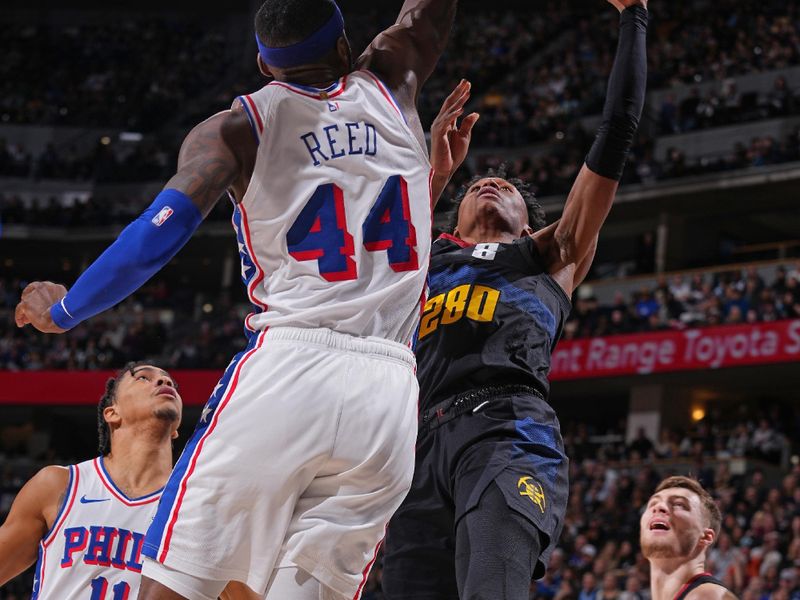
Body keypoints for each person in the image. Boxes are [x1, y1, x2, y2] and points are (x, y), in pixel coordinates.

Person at [14, 0, 457, 597]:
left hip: (293, 366)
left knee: (175, 584)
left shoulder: (236, 129)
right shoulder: (394, 77)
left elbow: (156, 233)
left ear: (263, 64)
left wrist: (66, 309)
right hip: (391, 395)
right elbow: (425, 12)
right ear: (345, 48)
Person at [381, 1, 649, 598]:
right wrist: (434, 173)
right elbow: (371, 238)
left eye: (505, 186)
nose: (491, 182)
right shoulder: (427, 261)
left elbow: (616, 134)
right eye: (477, 184)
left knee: (492, 585)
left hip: (507, 431)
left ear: (530, 224)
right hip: (413, 447)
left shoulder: (551, 255)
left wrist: (636, 16)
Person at [0, 363, 182, 599]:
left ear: (176, 429)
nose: (164, 382)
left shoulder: (193, 508)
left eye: (171, 383)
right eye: (144, 378)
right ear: (112, 413)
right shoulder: (59, 484)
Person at [640, 476, 738, 599]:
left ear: (706, 537)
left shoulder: (709, 596)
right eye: (653, 503)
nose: (659, 507)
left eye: (679, 504)